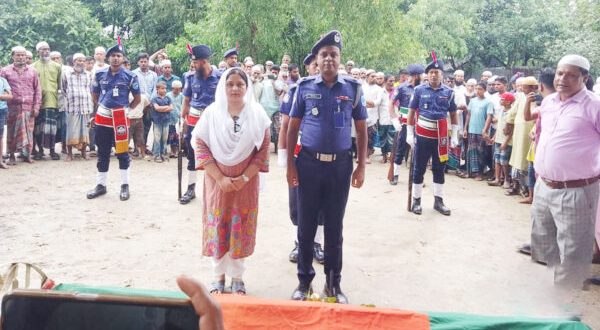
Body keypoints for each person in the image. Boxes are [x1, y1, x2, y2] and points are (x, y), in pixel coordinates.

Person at [287, 30, 367, 304]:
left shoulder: (353, 89)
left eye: (334, 54)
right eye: (324, 55)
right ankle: (304, 284)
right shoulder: (304, 87)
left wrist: (361, 166)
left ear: (340, 59)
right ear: (317, 60)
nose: (329, 59)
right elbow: (292, 127)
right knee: (306, 227)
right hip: (308, 164)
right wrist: (290, 165)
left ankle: (333, 285)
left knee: (334, 227)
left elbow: (361, 129)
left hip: (340, 167)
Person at [192, 67, 271, 295]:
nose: (235, 88)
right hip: (217, 184)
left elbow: (264, 150)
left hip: (246, 185)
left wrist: (245, 177)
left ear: (247, 88)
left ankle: (237, 277)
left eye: (240, 84)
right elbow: (200, 144)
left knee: (240, 226)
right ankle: (218, 276)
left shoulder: (258, 114)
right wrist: (220, 178)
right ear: (223, 87)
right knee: (218, 226)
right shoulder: (211, 113)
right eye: (230, 84)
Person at [531, 54, 600, 289]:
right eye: (560, 73)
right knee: (544, 244)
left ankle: (566, 310)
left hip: (577, 191)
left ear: (584, 77)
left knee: (573, 253)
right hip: (544, 186)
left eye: (571, 75)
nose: (563, 79)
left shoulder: (594, 106)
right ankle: (549, 294)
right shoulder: (549, 103)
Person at [277, 53, 325, 265]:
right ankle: (299, 242)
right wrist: (284, 155)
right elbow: (285, 125)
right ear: (308, 68)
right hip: (299, 154)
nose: (318, 68)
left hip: (323, 156)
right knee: (297, 202)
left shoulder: (333, 90)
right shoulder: (296, 90)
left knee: (322, 203)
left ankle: (316, 243)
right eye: (314, 65)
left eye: (320, 64)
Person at [87, 40, 141, 201]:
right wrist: (104, 107)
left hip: (120, 118)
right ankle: (100, 185)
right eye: (112, 56)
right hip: (102, 117)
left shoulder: (131, 76)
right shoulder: (99, 74)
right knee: (102, 152)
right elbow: (95, 95)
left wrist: (125, 110)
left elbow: (137, 98)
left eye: (118, 56)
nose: (115, 59)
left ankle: (125, 185)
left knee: (122, 152)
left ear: (123, 58)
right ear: (108, 58)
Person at [406, 56, 459, 216]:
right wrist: (409, 133)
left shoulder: (449, 92)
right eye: (431, 72)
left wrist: (455, 135)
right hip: (422, 136)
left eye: (437, 72)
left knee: (439, 169)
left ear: (442, 74)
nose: (434, 75)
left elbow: (454, 114)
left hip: (441, 138)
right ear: (427, 75)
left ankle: (438, 201)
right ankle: (416, 200)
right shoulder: (419, 90)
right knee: (419, 168)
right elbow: (411, 112)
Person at [180, 45, 222, 205]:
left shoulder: (220, 77)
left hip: (214, 121)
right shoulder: (190, 77)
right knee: (192, 154)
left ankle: (214, 189)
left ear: (204, 62)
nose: (193, 65)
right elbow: (186, 100)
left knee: (215, 155)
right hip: (194, 119)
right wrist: (181, 118)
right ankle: (190, 189)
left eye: (196, 62)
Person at [1, 46, 42, 165]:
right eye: (18, 55)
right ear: (13, 56)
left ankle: (27, 155)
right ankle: (12, 155)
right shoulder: (5, 71)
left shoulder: (33, 71)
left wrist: (36, 107)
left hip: (29, 107)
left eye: (23, 55)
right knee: (11, 133)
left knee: (29, 132)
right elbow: (2, 89)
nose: (21, 57)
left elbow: (37, 90)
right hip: (12, 108)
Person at [389, 64, 424, 185]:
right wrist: (394, 119)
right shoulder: (402, 87)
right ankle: (395, 174)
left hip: (420, 122)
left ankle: (417, 177)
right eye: (422, 74)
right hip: (404, 122)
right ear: (416, 75)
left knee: (419, 150)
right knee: (400, 148)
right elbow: (391, 103)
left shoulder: (423, 88)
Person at [505, 76, 538, 196]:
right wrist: (509, 123)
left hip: (528, 133)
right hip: (518, 132)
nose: (522, 89)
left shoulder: (537, 99)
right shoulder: (521, 97)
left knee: (524, 162)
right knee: (516, 160)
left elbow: (535, 117)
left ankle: (526, 189)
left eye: (524, 87)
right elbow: (513, 111)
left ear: (533, 87)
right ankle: (516, 185)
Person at [32, 41, 62, 160]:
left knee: (52, 128)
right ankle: (40, 151)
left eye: (48, 49)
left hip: (52, 101)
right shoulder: (33, 67)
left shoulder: (57, 66)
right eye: (43, 49)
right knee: (38, 128)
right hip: (38, 102)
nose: (46, 51)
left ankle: (52, 151)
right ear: (37, 51)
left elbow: (60, 85)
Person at [61, 53, 93, 162]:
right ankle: (69, 154)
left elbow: (91, 88)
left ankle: (83, 152)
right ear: (74, 62)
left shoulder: (89, 75)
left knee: (84, 130)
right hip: (72, 106)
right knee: (71, 130)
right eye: (78, 61)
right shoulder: (66, 73)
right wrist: (72, 96)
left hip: (85, 106)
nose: (81, 63)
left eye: (83, 61)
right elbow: (63, 88)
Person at [463, 82, 494, 180]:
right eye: (477, 89)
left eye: (480, 89)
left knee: (481, 152)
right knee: (471, 151)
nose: (478, 91)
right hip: (472, 130)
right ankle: (471, 172)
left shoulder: (488, 102)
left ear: (485, 90)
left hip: (481, 131)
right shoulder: (472, 101)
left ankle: (480, 173)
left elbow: (489, 117)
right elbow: (468, 114)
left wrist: (485, 130)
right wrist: (465, 128)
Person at [487, 92, 514, 188]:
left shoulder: (511, 112)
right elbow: (499, 126)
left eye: (502, 99)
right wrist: (494, 137)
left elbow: (511, 130)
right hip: (498, 139)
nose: (500, 101)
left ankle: (506, 179)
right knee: (497, 159)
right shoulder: (502, 110)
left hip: (505, 141)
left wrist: (506, 142)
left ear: (508, 102)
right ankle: (497, 178)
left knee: (504, 161)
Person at [133, 53, 158, 146]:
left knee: (147, 125)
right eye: (141, 61)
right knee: (136, 125)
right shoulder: (134, 73)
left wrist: (149, 102)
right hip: (137, 103)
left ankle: (144, 146)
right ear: (138, 63)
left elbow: (155, 89)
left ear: (148, 62)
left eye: (145, 61)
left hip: (149, 103)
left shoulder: (154, 75)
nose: (143, 63)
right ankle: (136, 148)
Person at [259, 65, 284, 151]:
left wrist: (273, 83)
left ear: (278, 74)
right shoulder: (264, 82)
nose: (273, 74)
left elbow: (279, 92)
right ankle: (264, 148)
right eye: (272, 72)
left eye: (275, 73)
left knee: (277, 128)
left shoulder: (280, 83)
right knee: (264, 128)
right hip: (264, 108)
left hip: (276, 109)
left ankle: (276, 148)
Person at [151, 81, 173, 162]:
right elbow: (157, 108)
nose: (164, 90)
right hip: (157, 122)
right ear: (157, 89)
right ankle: (156, 155)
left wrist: (162, 108)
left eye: (165, 89)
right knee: (157, 138)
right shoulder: (154, 99)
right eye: (162, 88)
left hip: (166, 121)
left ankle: (162, 153)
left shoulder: (168, 98)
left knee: (164, 138)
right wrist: (166, 107)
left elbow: (171, 108)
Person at [167, 80, 184, 157]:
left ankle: (177, 151)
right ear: (172, 88)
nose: (177, 90)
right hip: (170, 119)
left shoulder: (181, 95)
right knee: (171, 136)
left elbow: (183, 106)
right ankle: (172, 151)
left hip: (179, 119)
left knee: (178, 136)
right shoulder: (168, 95)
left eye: (179, 89)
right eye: (175, 89)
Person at [0, 71, 13, 169]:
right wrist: (2, 96)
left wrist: (5, 96)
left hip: (2, 110)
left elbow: (10, 96)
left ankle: (0, 160)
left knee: (0, 136)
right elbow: (6, 96)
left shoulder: (3, 80)